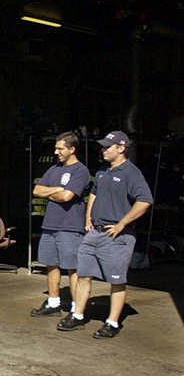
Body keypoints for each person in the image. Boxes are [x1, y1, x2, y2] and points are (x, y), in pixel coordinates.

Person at [56, 130, 153, 338]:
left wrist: (122, 224)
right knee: (83, 275)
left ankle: (113, 322)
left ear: (121, 148)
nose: (103, 150)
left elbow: (144, 201)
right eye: (102, 146)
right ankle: (78, 315)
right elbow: (94, 192)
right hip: (94, 234)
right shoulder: (102, 171)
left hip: (116, 236)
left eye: (107, 147)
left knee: (116, 280)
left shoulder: (131, 173)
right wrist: (88, 218)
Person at [30, 132, 90, 318]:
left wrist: (55, 193)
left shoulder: (81, 171)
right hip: (50, 225)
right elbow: (36, 190)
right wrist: (57, 189)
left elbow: (67, 197)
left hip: (70, 227)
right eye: (56, 148)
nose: (57, 152)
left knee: (73, 268)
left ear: (72, 149)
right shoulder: (53, 169)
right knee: (51, 264)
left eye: (60, 149)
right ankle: (54, 303)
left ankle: (75, 308)